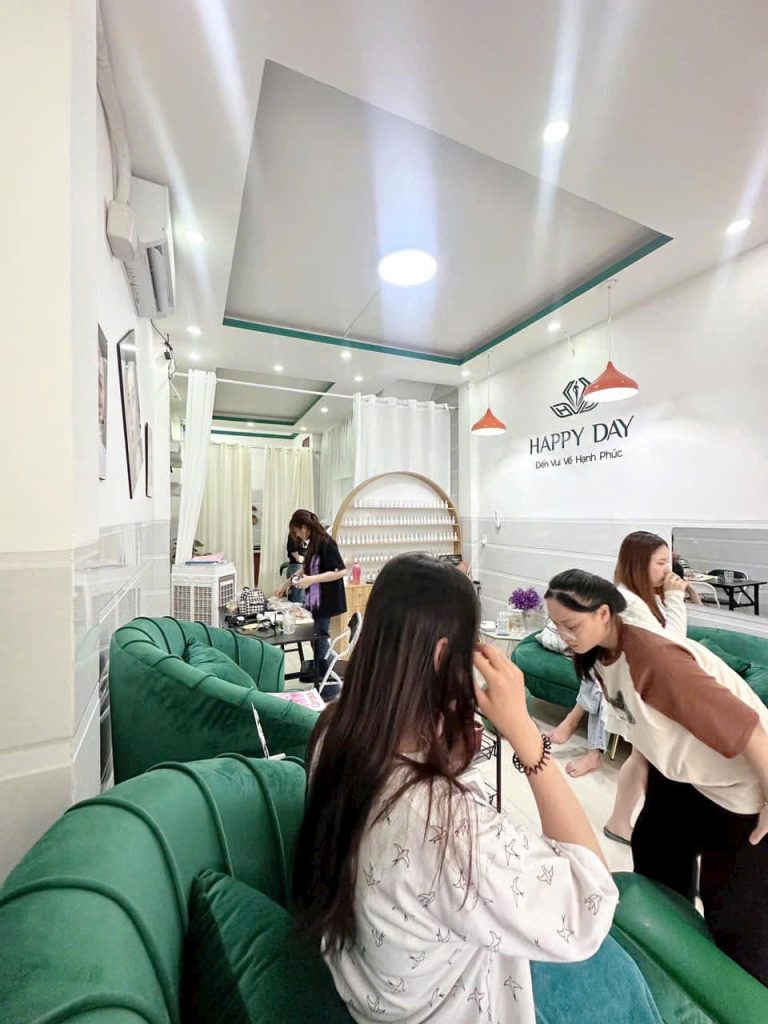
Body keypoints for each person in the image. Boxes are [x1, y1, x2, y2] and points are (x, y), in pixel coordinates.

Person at [294, 553, 621, 1023]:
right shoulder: (445, 825)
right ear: (443, 655)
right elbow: (590, 903)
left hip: (371, 985)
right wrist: (526, 736)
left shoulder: (332, 730)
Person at [545, 568, 768, 985]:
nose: (564, 636)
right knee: (655, 854)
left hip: (746, 788)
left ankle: (738, 998)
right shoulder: (599, 652)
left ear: (604, 614)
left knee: (736, 922)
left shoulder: (655, 661)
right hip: (687, 777)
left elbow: (750, 730)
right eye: (557, 625)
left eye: (571, 625)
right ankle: (667, 960)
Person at [278, 509, 346, 678]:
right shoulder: (314, 543)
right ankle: (321, 670)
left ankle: (324, 678)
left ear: (304, 527)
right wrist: (287, 583)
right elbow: (305, 567)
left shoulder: (326, 543)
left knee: (319, 638)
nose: (297, 536)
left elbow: (340, 571)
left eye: (296, 532)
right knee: (315, 638)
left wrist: (311, 579)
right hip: (315, 598)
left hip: (326, 599)